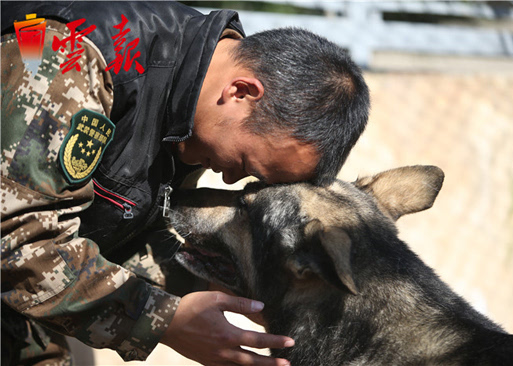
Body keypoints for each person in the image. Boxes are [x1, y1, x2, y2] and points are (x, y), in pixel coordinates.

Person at [1, 1, 370, 365]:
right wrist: (163, 322)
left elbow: (113, 230)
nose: (228, 178)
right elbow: (16, 242)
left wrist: (216, 287)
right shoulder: (71, 55)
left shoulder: (196, 88)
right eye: (244, 165)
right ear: (241, 92)